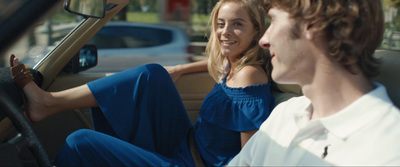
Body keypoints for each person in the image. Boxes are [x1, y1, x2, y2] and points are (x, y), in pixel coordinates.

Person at [10, 0, 275, 166]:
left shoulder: (249, 76)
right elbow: (216, 66)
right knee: (152, 74)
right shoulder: (235, 65)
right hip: (186, 144)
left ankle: (47, 103)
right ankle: (47, 103)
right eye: (220, 24)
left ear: (256, 32)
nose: (225, 32)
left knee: (81, 141)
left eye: (237, 24)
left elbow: (249, 156)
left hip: (192, 163)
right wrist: (180, 68)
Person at [228, 0, 400, 166]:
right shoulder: (284, 114)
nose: (263, 41)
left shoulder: (388, 150)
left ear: (312, 22)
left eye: (273, 20)